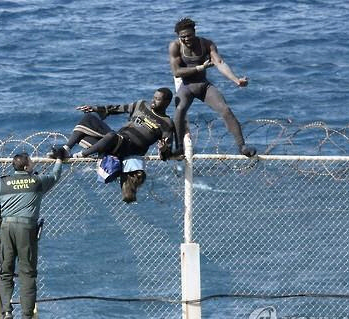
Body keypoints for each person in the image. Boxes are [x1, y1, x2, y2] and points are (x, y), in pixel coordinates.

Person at [0, 153, 63, 319]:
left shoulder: (4, 183)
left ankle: (6, 312)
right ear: (26, 167)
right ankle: (27, 316)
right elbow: (55, 176)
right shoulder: (37, 182)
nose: (33, 164)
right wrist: (59, 160)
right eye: (31, 162)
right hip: (27, 229)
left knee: (5, 271)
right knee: (27, 272)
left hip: (6, 229)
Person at [49, 87, 174, 203]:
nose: (153, 101)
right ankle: (66, 150)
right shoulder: (141, 105)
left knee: (112, 136)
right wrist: (96, 109)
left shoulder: (166, 124)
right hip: (115, 141)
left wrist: (163, 149)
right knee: (89, 119)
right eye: (154, 97)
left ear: (167, 102)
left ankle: (79, 155)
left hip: (129, 148)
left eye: (158, 99)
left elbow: (166, 155)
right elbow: (118, 108)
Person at [169, 17, 256, 157]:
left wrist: (236, 80)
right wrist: (199, 67)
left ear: (194, 32)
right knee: (179, 110)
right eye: (182, 37)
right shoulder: (175, 46)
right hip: (187, 87)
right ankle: (179, 148)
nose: (186, 39)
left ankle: (242, 146)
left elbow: (219, 62)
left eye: (189, 35)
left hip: (204, 86)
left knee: (225, 109)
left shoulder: (206, 44)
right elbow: (176, 72)